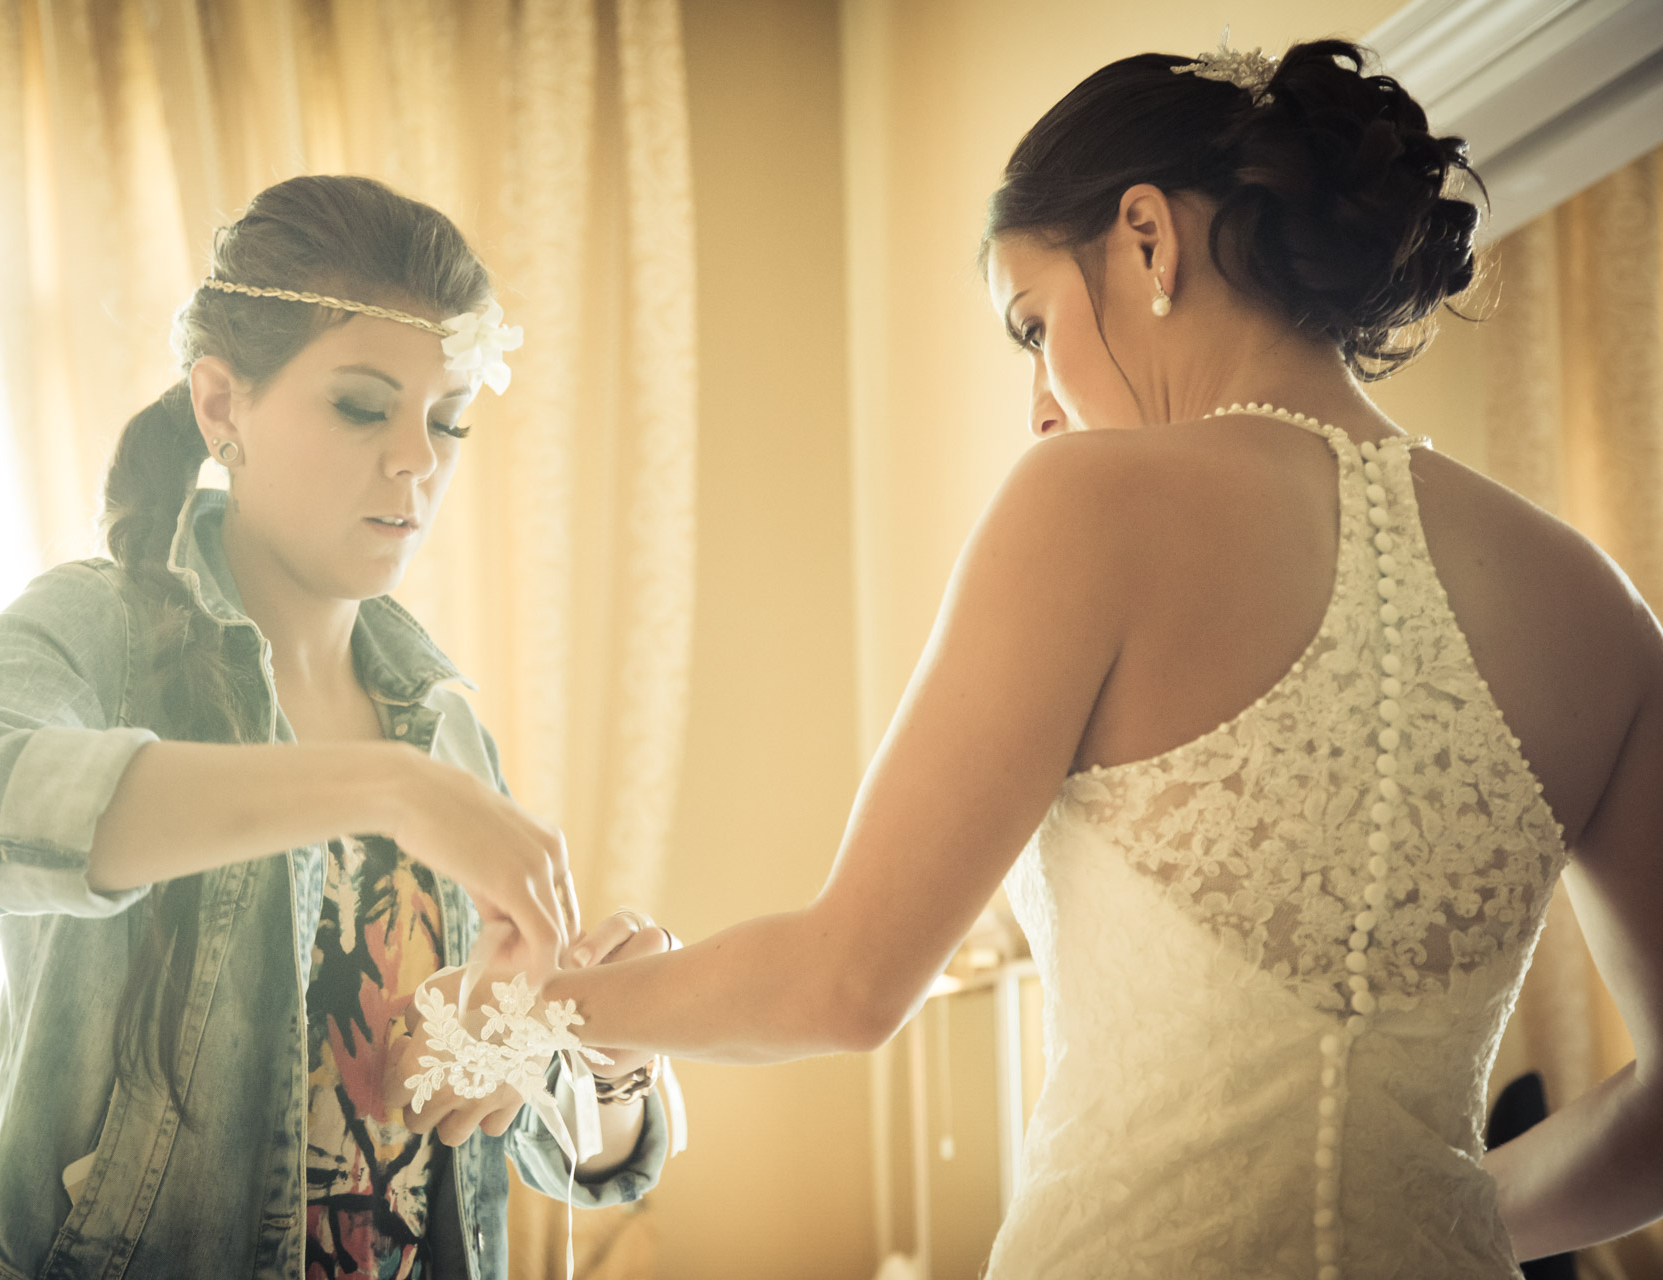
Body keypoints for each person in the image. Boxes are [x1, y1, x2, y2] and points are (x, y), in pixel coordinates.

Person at [394, 38, 1663, 1276]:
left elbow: (849, 978)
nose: (1041, 403)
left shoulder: (1092, 502)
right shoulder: (1596, 605)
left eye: (1032, 321)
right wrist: (1437, 1220)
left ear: (1149, 238)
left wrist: (529, 1010)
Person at [0, 174, 671, 1280]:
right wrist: (381, 787)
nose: (418, 460)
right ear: (221, 405)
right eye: (361, 406)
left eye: (447, 420)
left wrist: (608, 1057)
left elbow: (519, 1143)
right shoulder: (101, 630)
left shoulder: (442, 727)